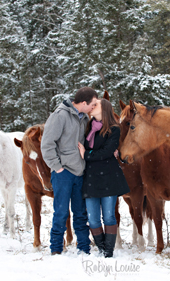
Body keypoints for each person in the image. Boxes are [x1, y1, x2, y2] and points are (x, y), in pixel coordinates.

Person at [41, 87, 97, 255]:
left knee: (80, 213)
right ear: (84, 103)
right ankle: (56, 249)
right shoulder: (60, 116)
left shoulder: (84, 118)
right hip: (63, 173)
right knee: (61, 213)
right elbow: (47, 144)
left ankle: (83, 249)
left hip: (79, 172)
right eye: (92, 104)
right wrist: (57, 167)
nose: (93, 107)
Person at [79, 99, 129, 258]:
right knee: (93, 219)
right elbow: (103, 153)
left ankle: (108, 252)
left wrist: (86, 155)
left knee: (108, 216)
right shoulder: (87, 127)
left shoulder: (114, 129)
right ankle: (101, 248)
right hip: (91, 178)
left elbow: (107, 152)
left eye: (96, 105)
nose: (92, 107)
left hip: (109, 177)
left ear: (105, 109)